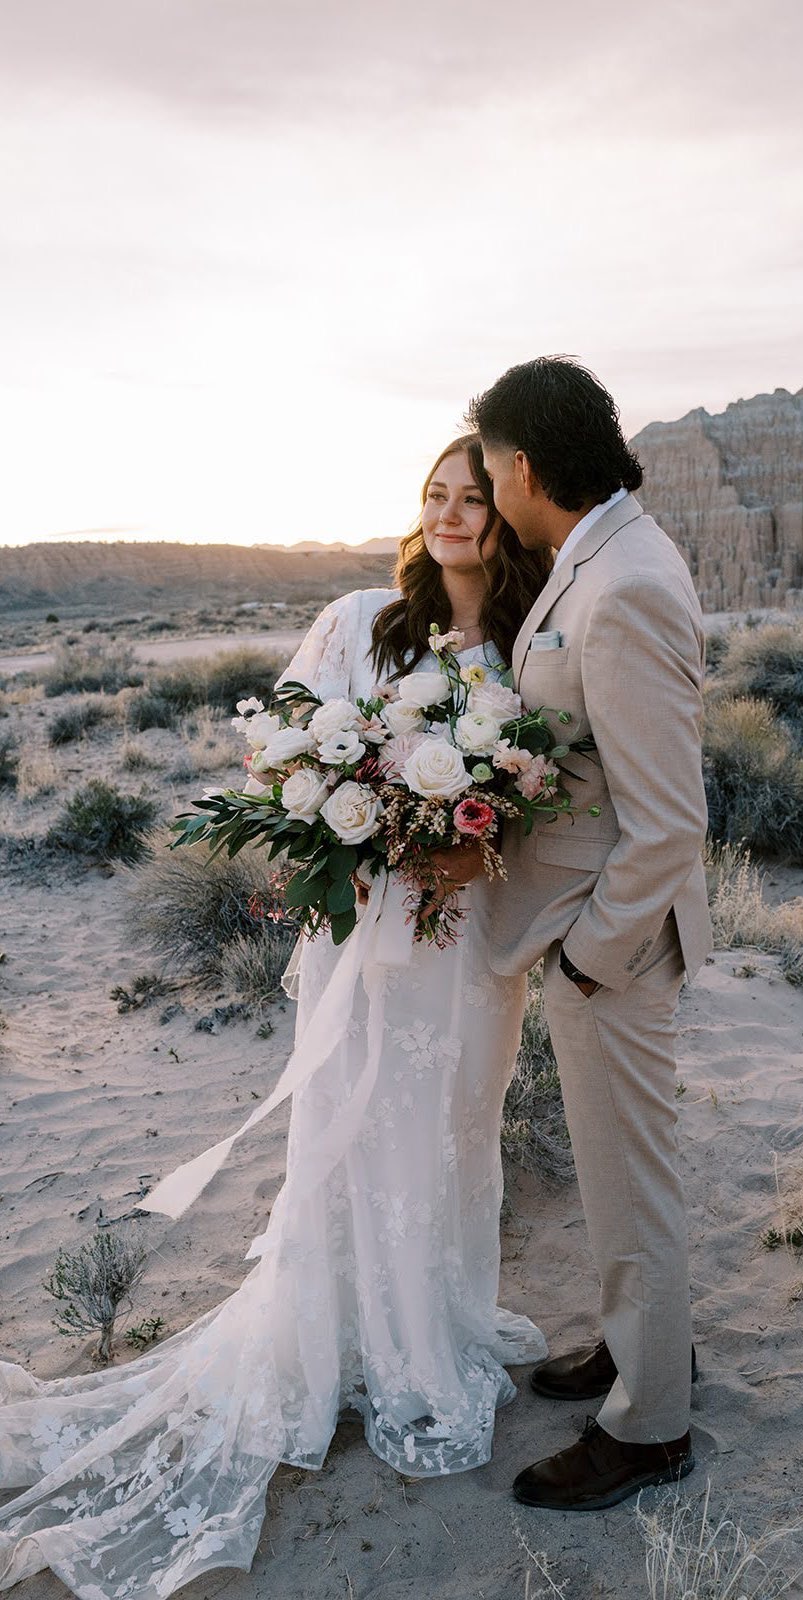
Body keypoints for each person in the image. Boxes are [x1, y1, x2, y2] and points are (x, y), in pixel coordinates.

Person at [0, 435, 552, 1598]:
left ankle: (429, 1323)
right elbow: (282, 760)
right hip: (366, 938)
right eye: (434, 496)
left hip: (466, 952)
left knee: (451, 1129)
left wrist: (475, 834)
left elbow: (534, 792)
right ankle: (345, 1344)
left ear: (504, 519)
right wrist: (348, 829)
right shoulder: (362, 620)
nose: (451, 516)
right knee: (357, 1136)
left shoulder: (522, 644)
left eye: (473, 500)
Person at [462, 357, 713, 1511]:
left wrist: (587, 957)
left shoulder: (627, 584)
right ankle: (636, 1346)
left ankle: (650, 1427)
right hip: (593, 935)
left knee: (633, 1184)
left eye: (487, 468)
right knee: (620, 1181)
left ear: (521, 467)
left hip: (612, 948)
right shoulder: (601, 557)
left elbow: (668, 823)